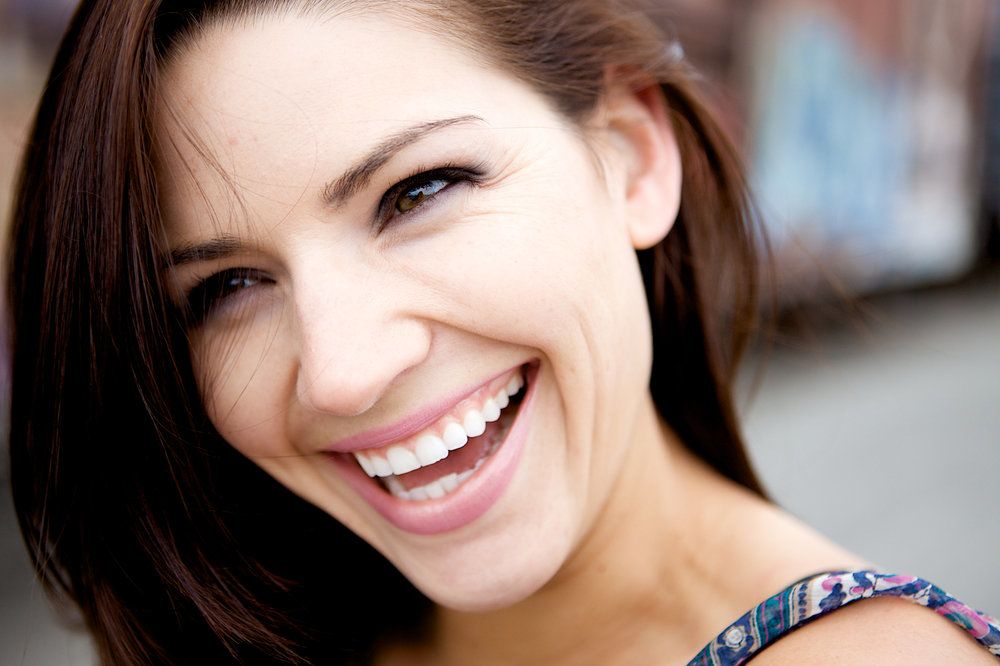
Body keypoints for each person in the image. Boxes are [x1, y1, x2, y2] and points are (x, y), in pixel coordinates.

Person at [7, 1, 998, 664]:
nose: (343, 372)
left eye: (417, 192)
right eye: (227, 288)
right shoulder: (263, 629)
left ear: (631, 156)